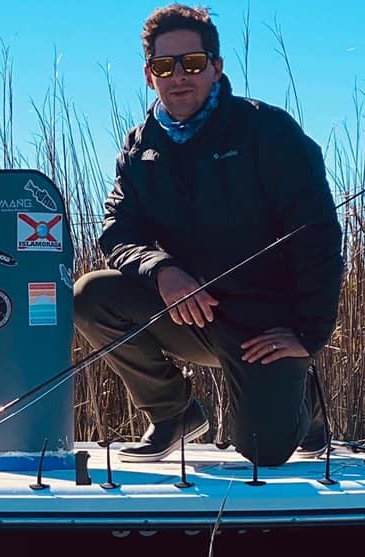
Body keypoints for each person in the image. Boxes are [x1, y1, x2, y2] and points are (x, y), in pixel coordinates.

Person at [73, 4, 343, 465]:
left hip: (264, 327)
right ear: (148, 75)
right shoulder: (140, 148)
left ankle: (306, 405)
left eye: (193, 63)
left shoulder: (268, 130)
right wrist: (162, 271)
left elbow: (317, 237)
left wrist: (307, 333)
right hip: (190, 315)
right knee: (90, 295)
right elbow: (117, 229)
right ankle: (173, 413)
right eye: (164, 66)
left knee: (261, 450)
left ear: (216, 67)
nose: (179, 76)